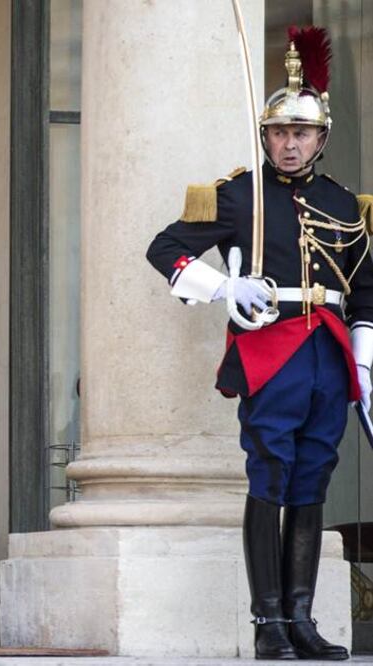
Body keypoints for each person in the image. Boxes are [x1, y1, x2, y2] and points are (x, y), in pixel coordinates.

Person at [146, 28, 368, 661]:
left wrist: (366, 357)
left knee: (313, 478)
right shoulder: (240, 193)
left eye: (301, 134)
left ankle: (302, 618)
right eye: (278, 133)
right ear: (266, 136)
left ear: (320, 140)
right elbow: (165, 248)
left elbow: (367, 287)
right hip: (271, 346)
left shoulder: (343, 202)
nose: (288, 144)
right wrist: (225, 287)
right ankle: (267, 622)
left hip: (328, 350)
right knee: (270, 472)